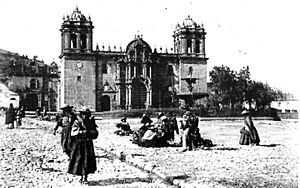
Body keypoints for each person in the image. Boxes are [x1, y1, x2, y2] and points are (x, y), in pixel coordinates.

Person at [68, 107, 97, 184]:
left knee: (87, 160)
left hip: (88, 144)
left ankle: (85, 177)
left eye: (86, 114)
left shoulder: (90, 122)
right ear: (81, 114)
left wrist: (90, 132)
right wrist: (81, 132)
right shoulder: (77, 122)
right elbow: (73, 132)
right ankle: (81, 176)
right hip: (79, 144)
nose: (84, 116)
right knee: (79, 160)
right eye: (83, 114)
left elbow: (95, 133)